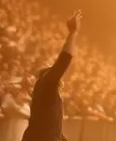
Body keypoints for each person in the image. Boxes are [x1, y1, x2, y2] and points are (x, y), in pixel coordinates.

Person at [21, 11, 81, 141]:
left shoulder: (46, 90)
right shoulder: (47, 82)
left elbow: (47, 123)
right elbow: (63, 60)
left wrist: (62, 138)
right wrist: (73, 33)